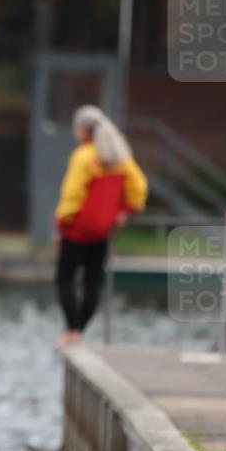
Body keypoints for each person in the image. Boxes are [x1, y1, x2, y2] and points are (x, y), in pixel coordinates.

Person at [53, 105, 148, 348]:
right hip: (102, 232)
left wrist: (61, 223)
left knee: (65, 278)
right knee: (93, 282)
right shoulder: (120, 158)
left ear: (83, 130)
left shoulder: (84, 156)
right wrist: (124, 212)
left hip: (77, 231)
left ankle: (72, 329)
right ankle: (80, 331)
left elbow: (72, 195)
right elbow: (139, 188)